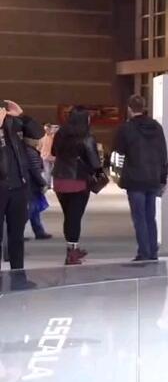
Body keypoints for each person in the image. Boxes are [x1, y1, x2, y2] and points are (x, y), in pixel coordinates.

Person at [114, 95, 168, 261]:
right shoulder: (156, 127)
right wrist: (163, 178)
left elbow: (119, 150)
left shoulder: (126, 128)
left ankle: (144, 252)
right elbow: (163, 153)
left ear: (129, 109)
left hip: (135, 178)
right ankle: (153, 252)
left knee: (139, 218)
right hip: (153, 177)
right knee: (150, 217)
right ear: (144, 107)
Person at [52, 107, 102, 265]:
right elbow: (95, 163)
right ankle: (72, 253)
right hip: (78, 181)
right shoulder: (86, 137)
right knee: (74, 217)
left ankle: (72, 249)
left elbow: (54, 152)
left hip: (60, 179)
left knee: (68, 216)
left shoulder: (60, 134)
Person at [0, 100, 45, 274]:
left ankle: (18, 274)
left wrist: (22, 116)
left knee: (17, 235)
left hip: (18, 186)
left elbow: (38, 134)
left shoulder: (13, 123)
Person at [23, 137, 51, 240]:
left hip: (28, 184)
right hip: (31, 185)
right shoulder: (30, 152)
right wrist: (43, 183)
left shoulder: (25, 150)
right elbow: (35, 170)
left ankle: (39, 231)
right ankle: (18, 232)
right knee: (31, 209)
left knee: (34, 209)